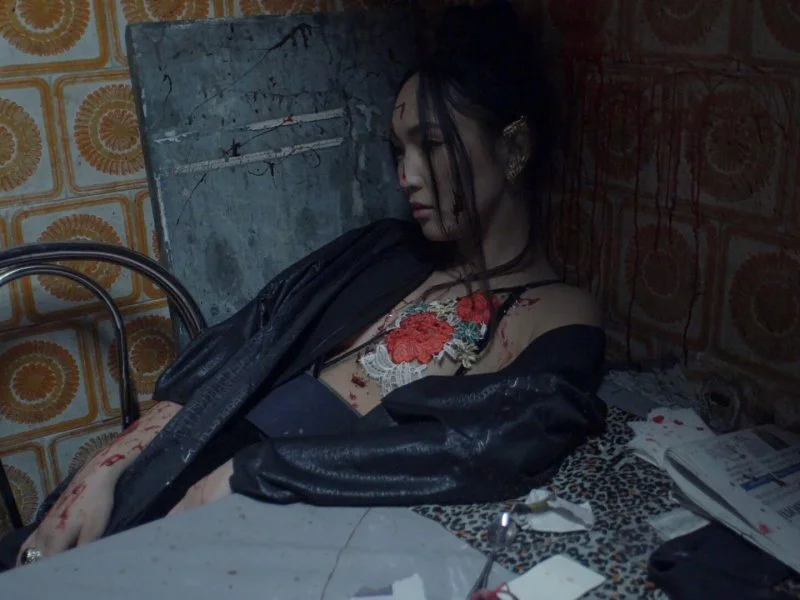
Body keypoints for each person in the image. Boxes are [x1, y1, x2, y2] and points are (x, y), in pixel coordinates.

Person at [0, 0, 606, 571]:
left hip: (285, 518)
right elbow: (238, 347)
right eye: (399, 150)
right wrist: (106, 468)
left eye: (432, 144)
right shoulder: (382, 250)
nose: (406, 176)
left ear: (514, 147)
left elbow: (487, 444)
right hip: (187, 462)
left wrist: (255, 472)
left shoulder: (556, 311)